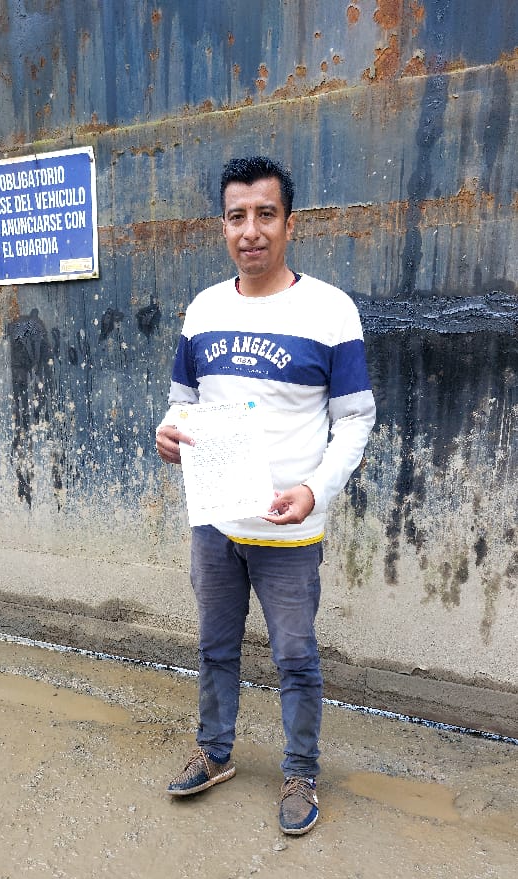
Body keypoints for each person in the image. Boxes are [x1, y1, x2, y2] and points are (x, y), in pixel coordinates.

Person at [156, 156, 376, 835]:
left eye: (265, 214)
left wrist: (315, 490)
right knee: (215, 647)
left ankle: (300, 772)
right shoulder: (204, 310)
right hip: (216, 523)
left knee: (296, 660)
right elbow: (182, 403)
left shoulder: (330, 311)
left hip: (288, 531)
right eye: (237, 217)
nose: (250, 230)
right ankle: (215, 753)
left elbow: (355, 419)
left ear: (289, 223)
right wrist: (168, 433)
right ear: (223, 226)